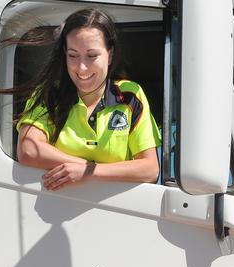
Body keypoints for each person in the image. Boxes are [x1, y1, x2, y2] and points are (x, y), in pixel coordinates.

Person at [12, 7, 161, 190]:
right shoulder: (49, 93)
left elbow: (150, 169)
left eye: (92, 56)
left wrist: (89, 172)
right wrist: (83, 167)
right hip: (53, 210)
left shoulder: (131, 96)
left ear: (110, 55)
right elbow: (28, 150)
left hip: (119, 213)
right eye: (73, 56)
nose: (82, 68)